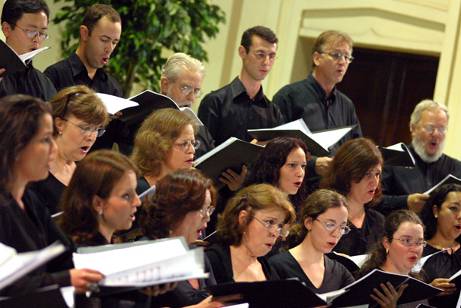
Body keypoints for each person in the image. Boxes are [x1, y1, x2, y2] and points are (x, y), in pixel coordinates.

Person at [0, 94, 102, 296]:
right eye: (46, 140)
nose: (54, 149)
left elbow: (67, 255)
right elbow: (7, 284)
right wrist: (67, 279)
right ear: (16, 145)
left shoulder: (29, 199)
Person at [273, 30, 362, 180]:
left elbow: (356, 148)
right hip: (298, 188)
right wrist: (313, 163)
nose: (342, 62)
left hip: (334, 191)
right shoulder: (288, 96)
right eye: (336, 55)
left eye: (347, 57)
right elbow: (274, 148)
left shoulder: (346, 105)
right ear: (317, 58)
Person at [44, 4, 124, 152]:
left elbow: (119, 138)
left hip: (97, 170)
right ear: (85, 33)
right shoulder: (55, 75)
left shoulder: (112, 87)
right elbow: (45, 130)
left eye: (114, 42)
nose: (109, 49)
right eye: (104, 40)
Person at [141, 169, 223, 308]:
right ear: (177, 210)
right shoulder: (146, 254)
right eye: (201, 209)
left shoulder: (198, 255)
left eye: (209, 209)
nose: (207, 217)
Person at [198, 25, 283, 146]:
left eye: (272, 56)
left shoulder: (273, 112)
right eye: (260, 54)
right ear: (242, 52)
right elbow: (202, 154)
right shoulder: (214, 102)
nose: (266, 62)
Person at [30, 85, 108, 214]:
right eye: (85, 128)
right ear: (60, 124)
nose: (91, 137)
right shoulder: (32, 172)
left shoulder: (81, 171)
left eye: (96, 129)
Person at [381, 99, 461, 215]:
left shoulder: (456, 169)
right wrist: (405, 202)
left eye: (442, 129)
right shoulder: (391, 157)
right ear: (413, 128)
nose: (436, 134)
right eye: (430, 128)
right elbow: (373, 201)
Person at [206, 184, 295, 283]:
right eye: (269, 222)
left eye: (279, 226)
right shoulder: (212, 260)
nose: (275, 233)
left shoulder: (268, 270)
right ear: (243, 219)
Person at [269, 189, 355, 293]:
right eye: (330, 224)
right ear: (309, 223)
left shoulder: (340, 272)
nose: (336, 234)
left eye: (342, 227)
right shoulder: (278, 266)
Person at [322, 137, 385, 256]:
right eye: (367, 174)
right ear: (347, 175)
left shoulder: (378, 221)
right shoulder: (325, 218)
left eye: (377, 174)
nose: (374, 182)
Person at [359, 210, 433, 307]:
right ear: (386, 243)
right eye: (407, 241)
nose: (414, 249)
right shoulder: (369, 284)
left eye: (419, 242)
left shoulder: (417, 283)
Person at [160, 52, 215, 157]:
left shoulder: (201, 130)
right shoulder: (141, 121)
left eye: (196, 91)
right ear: (165, 85)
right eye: (185, 88)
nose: (192, 98)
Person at [131, 108, 198, 192]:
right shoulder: (136, 188)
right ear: (158, 146)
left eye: (193, 143)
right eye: (184, 144)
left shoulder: (187, 183)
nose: (192, 150)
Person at [0, 0, 56, 100]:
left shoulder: (43, 82)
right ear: (6, 29)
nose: (37, 39)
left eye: (42, 33)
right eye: (31, 31)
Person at [420, 183, 461, 307]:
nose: (460, 216)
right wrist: (427, 291)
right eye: (454, 208)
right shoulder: (417, 250)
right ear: (436, 211)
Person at [244, 137, 310, 210]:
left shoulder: (300, 205)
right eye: (292, 165)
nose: (300, 173)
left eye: (303, 166)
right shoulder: (252, 207)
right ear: (272, 168)